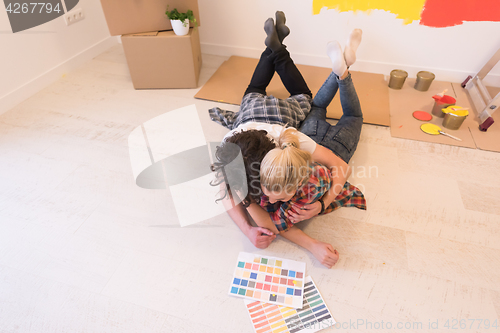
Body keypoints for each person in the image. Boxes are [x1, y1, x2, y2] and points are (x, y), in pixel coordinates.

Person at [210, 12, 365, 268]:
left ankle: (278, 47)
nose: (268, 201)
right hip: (249, 112)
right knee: (255, 91)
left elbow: (338, 166)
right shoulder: (238, 154)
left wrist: (323, 204)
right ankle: (276, 46)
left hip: (276, 118)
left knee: (307, 99)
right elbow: (230, 192)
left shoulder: (289, 140)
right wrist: (248, 224)